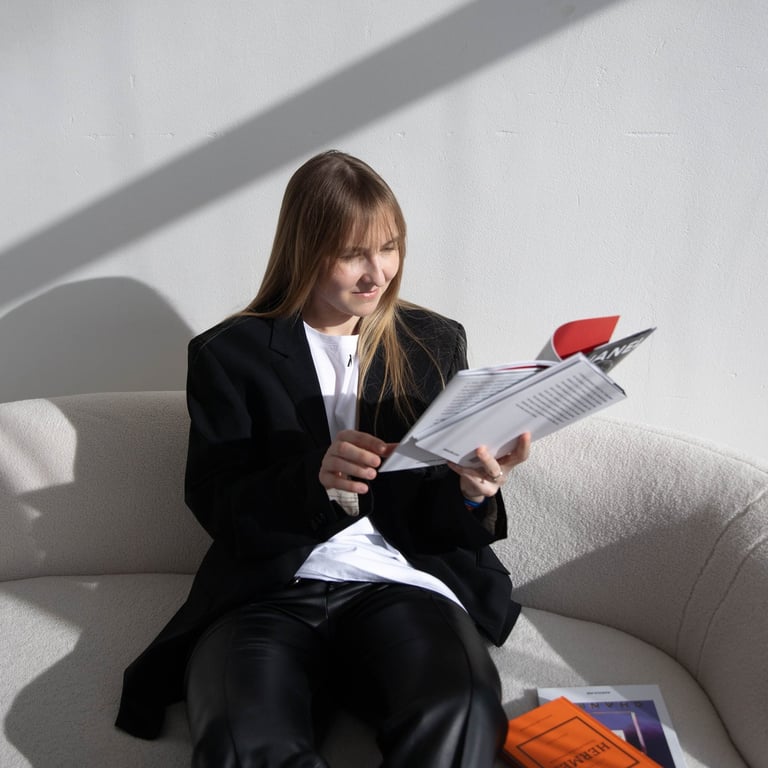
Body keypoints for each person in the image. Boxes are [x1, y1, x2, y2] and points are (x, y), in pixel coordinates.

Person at [116, 150, 531, 767]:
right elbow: (218, 504)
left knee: (462, 710)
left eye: (389, 247)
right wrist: (314, 481)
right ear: (305, 251)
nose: (377, 273)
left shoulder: (431, 342)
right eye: (352, 254)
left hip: (402, 581)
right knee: (243, 741)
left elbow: (435, 514)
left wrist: (473, 492)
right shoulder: (229, 355)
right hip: (268, 590)